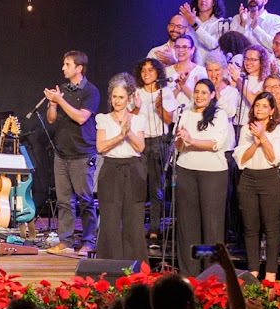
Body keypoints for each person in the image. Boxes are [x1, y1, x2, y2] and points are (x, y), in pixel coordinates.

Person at [44, 51, 102, 257]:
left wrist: (60, 102)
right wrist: (53, 103)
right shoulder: (64, 91)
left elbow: (80, 118)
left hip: (82, 154)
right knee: (64, 201)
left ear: (79, 68)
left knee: (85, 200)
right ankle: (65, 240)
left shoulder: (90, 92)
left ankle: (88, 241)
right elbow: (51, 119)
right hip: (62, 154)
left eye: (67, 64)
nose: (63, 68)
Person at [174, 78, 233, 276]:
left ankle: (210, 272)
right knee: (188, 224)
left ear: (212, 95)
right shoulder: (185, 114)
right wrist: (181, 140)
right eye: (196, 92)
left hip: (213, 174)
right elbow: (180, 146)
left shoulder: (219, 115)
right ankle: (189, 270)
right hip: (186, 169)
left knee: (211, 226)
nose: (199, 96)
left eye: (203, 93)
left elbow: (215, 143)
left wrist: (191, 140)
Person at [236, 91, 280, 280]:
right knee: (250, 229)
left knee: (271, 228)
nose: (259, 109)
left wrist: (263, 138)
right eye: (257, 105)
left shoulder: (279, 130)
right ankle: (253, 271)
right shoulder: (245, 129)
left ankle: (271, 274)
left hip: (269, 179)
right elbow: (241, 159)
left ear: (272, 110)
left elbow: (274, 158)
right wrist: (255, 143)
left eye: (264, 106)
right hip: (248, 179)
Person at [94, 73, 145, 262]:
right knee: (110, 220)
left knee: (133, 221)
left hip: (133, 169)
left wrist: (128, 132)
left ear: (129, 98)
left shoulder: (137, 119)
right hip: (111, 169)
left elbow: (140, 147)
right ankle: (109, 266)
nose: (117, 101)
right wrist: (120, 135)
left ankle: (134, 267)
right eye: (114, 97)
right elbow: (100, 147)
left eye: (121, 97)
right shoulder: (103, 118)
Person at [133, 58, 177, 243]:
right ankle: (136, 226)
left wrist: (159, 106)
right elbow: (131, 118)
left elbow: (169, 120)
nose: (147, 73)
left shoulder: (165, 92)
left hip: (159, 142)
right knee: (139, 186)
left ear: (158, 72)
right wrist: (136, 107)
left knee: (157, 188)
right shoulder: (136, 93)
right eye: (143, 70)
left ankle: (154, 229)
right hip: (141, 142)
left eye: (150, 70)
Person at [180, 0, 228, 65]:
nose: (203, 0)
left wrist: (195, 25)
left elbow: (212, 44)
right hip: (191, 68)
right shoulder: (189, 21)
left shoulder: (221, 23)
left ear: (213, 2)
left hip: (211, 69)